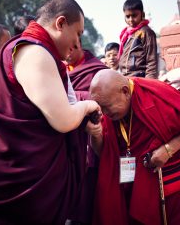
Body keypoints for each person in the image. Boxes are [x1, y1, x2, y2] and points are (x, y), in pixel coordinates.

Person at [0, 0, 100, 225]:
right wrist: (88, 105)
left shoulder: (13, 49)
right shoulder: (35, 52)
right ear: (60, 23)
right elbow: (63, 120)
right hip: (13, 185)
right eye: (78, 33)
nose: (78, 43)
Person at [88, 69, 180, 224]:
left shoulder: (154, 93)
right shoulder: (111, 111)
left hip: (174, 182)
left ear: (125, 92)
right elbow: (106, 155)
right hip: (136, 182)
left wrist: (169, 149)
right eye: (102, 108)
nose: (105, 114)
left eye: (108, 107)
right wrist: (95, 134)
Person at [65, 41, 106, 224]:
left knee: (89, 190)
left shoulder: (97, 69)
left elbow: (104, 98)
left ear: (76, 45)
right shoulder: (57, 67)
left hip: (91, 133)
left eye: (68, 49)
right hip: (68, 136)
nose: (65, 55)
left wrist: (78, 101)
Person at [118, 0, 158, 78]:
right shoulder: (126, 34)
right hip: (126, 78)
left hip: (139, 78)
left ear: (142, 14)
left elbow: (152, 62)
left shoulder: (146, 32)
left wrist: (149, 84)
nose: (131, 19)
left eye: (134, 15)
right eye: (127, 16)